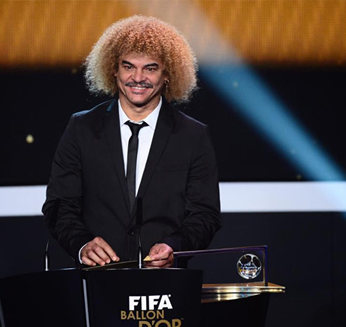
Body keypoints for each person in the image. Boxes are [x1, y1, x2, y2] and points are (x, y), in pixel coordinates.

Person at [42, 15, 221, 269]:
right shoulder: (81, 129)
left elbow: (205, 214)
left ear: (167, 73)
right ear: (113, 69)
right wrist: (82, 245)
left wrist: (175, 246)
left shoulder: (192, 136)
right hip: (98, 280)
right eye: (128, 66)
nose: (138, 78)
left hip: (164, 286)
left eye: (150, 68)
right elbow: (59, 206)